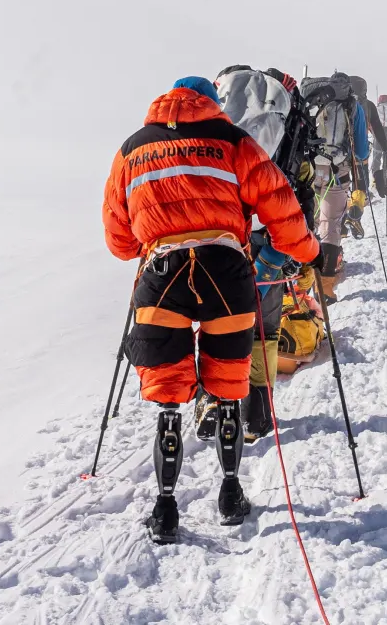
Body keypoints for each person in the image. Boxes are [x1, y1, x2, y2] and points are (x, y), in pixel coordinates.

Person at [102, 76, 322, 543]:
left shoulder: (131, 150)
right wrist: (306, 251)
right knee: (226, 384)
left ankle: (164, 509)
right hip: (226, 272)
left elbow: (119, 242)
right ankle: (229, 493)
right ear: (211, 102)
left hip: (163, 276)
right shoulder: (233, 141)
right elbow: (279, 205)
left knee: (167, 396)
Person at [213, 64, 314, 444]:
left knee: (218, 320)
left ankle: (215, 400)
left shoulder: (220, 120)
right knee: (264, 328)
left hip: (221, 234)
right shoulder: (285, 122)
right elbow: (299, 190)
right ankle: (258, 411)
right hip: (268, 238)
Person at [306, 71, 370, 303]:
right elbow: (362, 151)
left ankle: (299, 283)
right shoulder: (353, 105)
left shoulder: (311, 99)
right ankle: (324, 289)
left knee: (306, 224)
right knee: (331, 227)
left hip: (310, 170)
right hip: (337, 171)